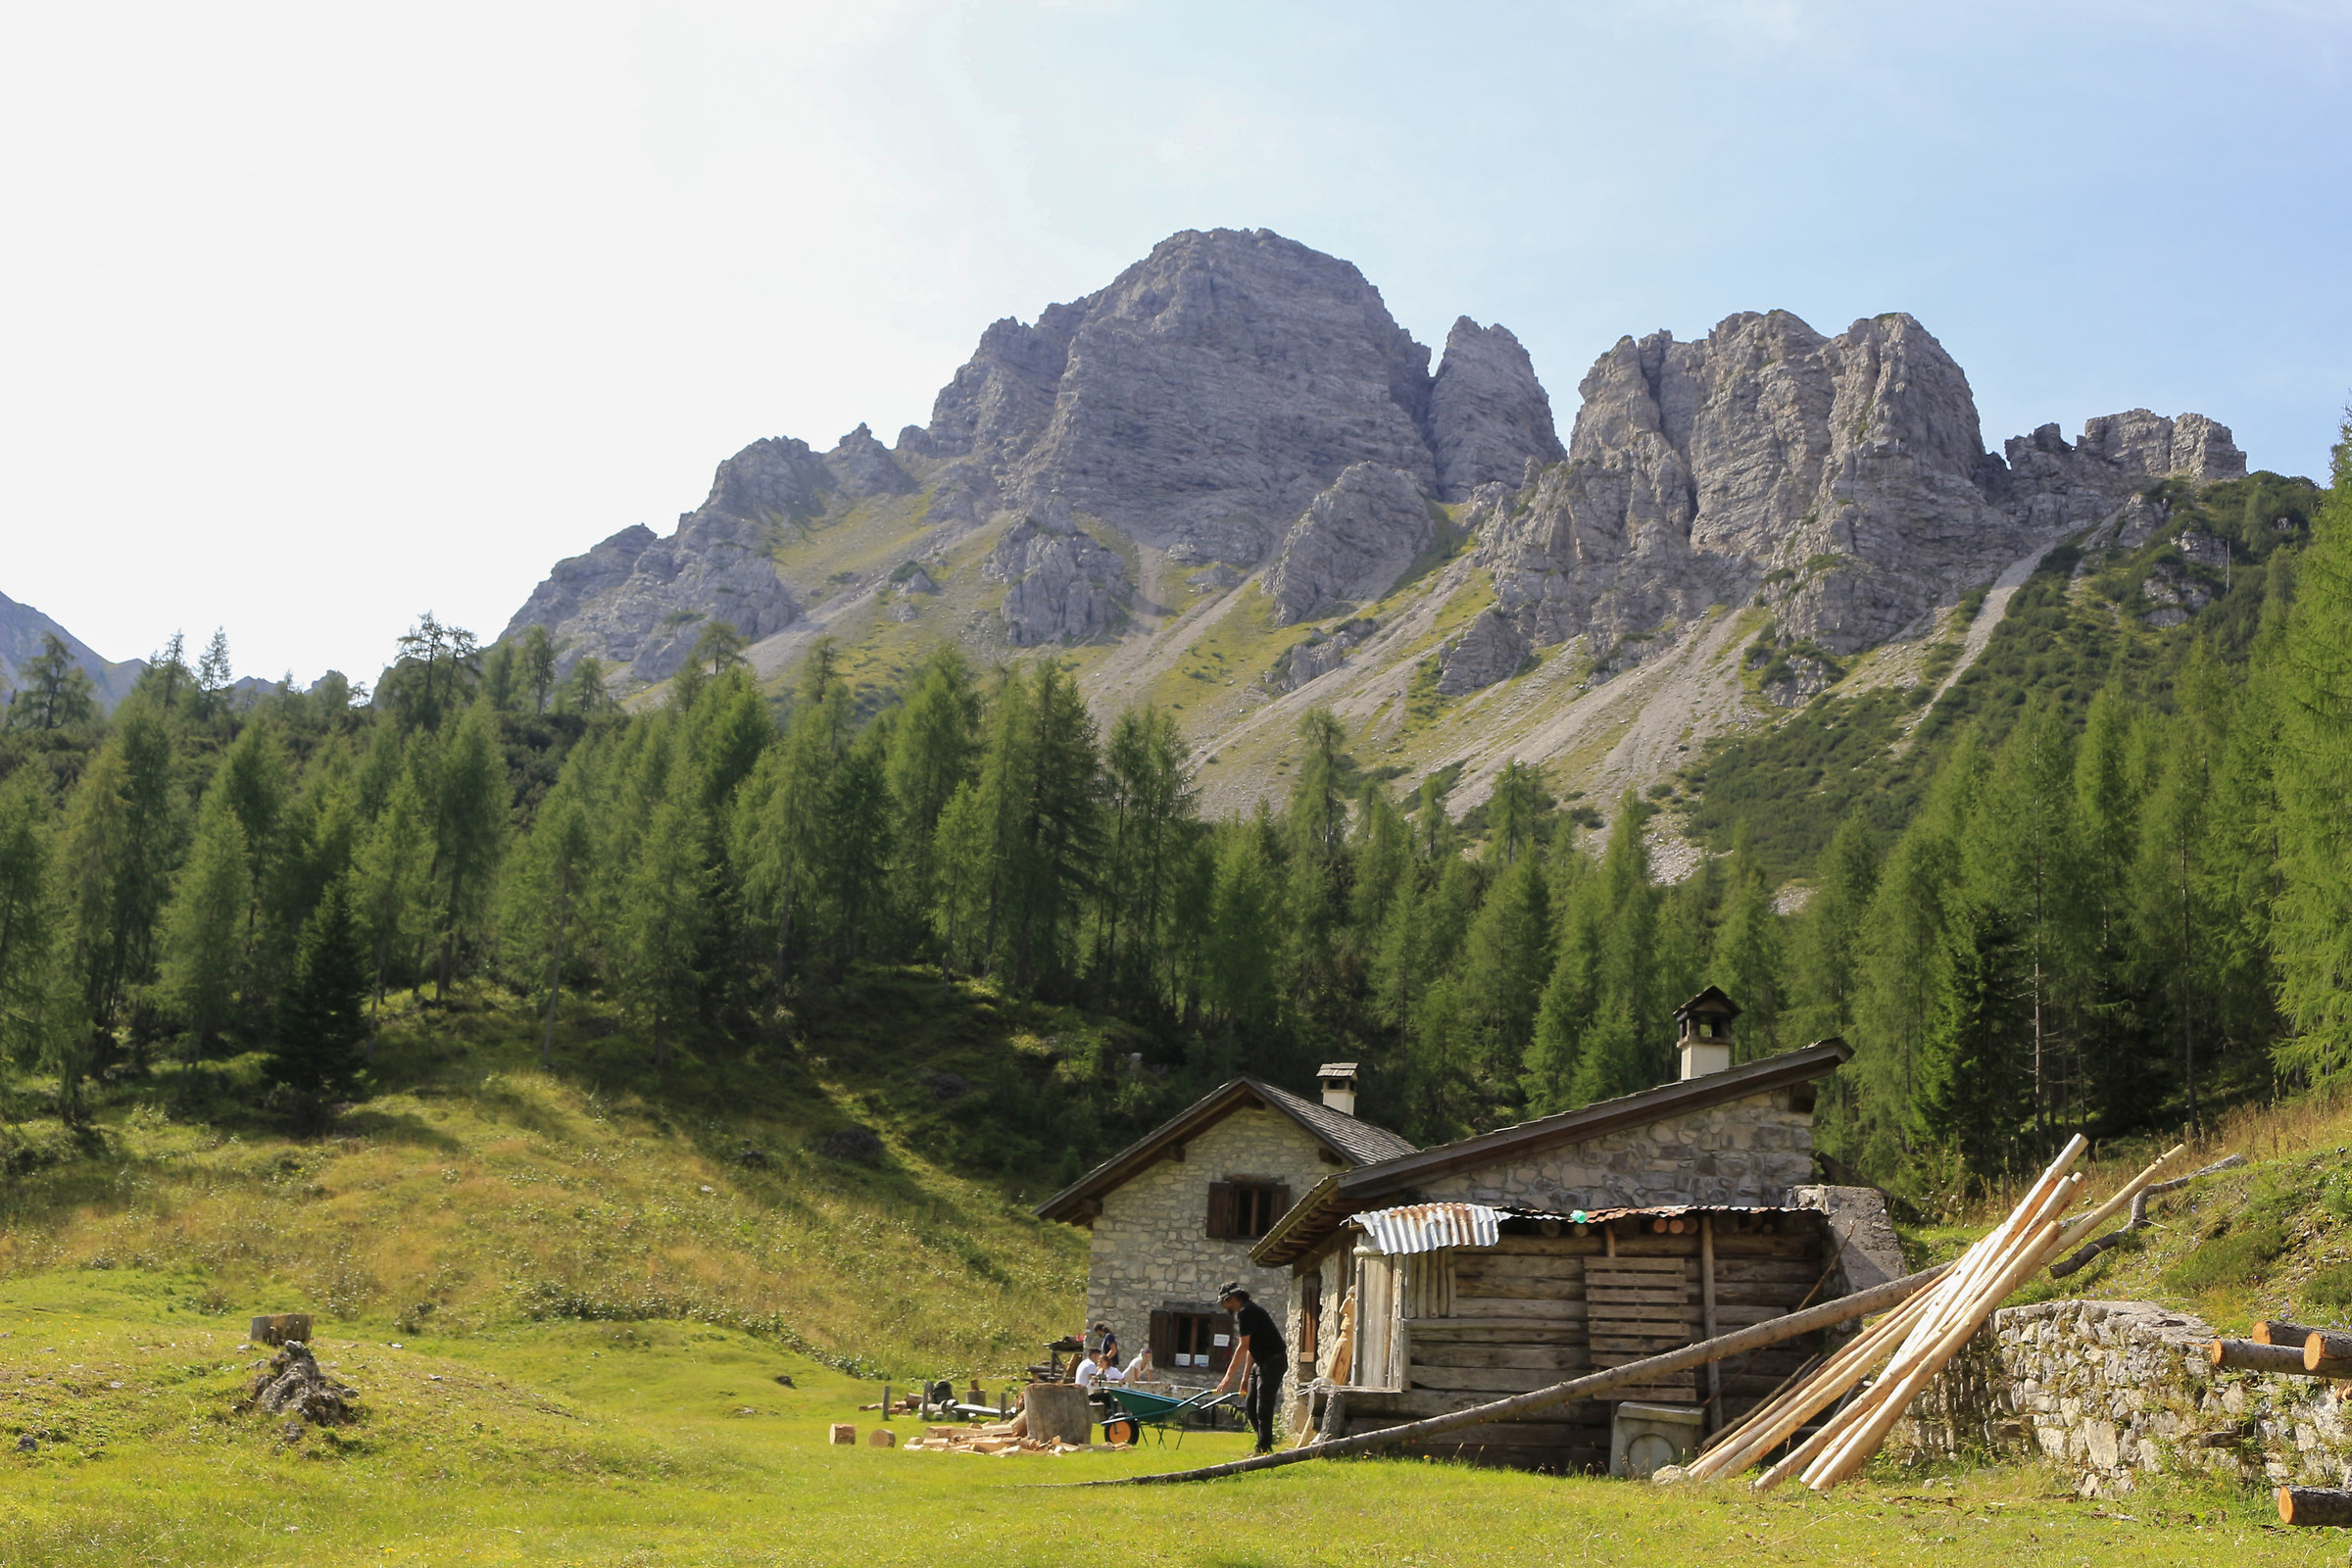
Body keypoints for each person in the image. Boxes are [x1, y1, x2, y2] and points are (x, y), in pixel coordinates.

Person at [1211, 1282, 1288, 1455]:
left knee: (1263, 1406)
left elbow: (1242, 1346)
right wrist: (1245, 1378)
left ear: (1230, 1299)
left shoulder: (1247, 1312)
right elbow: (1251, 1349)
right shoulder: (1246, 1311)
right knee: (1251, 1405)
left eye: (1223, 1303)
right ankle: (1263, 1443)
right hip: (1261, 1362)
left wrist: (1228, 1377)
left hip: (1273, 1361)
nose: (1224, 1307)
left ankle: (1264, 1448)